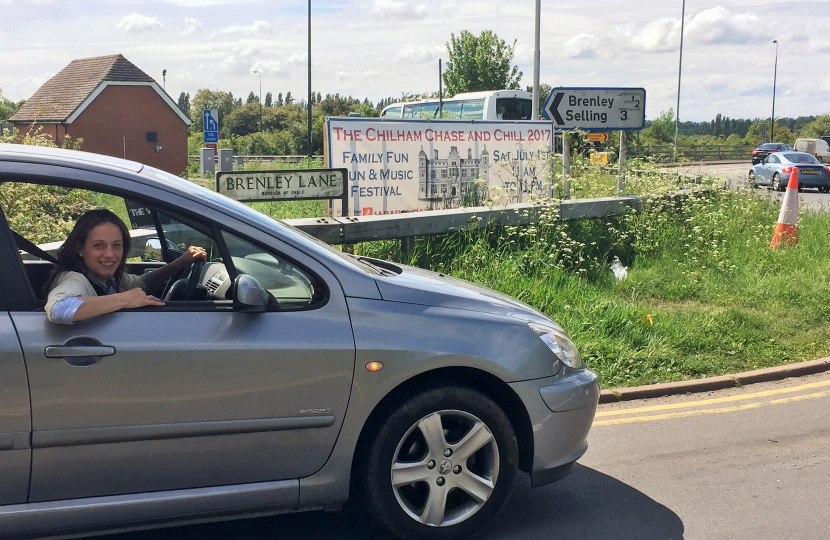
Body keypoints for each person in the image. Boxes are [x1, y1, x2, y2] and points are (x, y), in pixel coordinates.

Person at [45, 209, 207, 324]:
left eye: (116, 245)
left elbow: (143, 284)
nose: (109, 254)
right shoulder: (76, 280)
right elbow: (58, 308)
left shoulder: (109, 279)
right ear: (80, 249)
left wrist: (180, 263)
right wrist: (124, 299)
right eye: (98, 245)